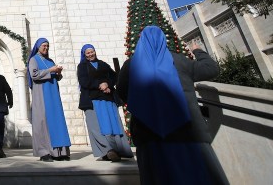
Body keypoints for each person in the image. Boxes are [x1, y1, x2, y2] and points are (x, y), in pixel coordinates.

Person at [117, 26, 229, 184]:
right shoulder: (180, 61)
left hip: (148, 133)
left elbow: (122, 91)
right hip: (187, 132)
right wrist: (198, 51)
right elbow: (211, 69)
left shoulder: (131, 65)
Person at [77, 44, 133, 162]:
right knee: (99, 126)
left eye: (92, 52)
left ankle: (119, 149)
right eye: (88, 53)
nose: (90, 54)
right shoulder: (82, 66)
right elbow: (83, 81)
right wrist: (100, 85)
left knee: (112, 124)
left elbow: (114, 76)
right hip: (93, 99)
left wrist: (107, 84)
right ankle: (108, 150)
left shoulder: (103, 64)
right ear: (84, 55)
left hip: (108, 98)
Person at [27, 38, 71, 161]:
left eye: (47, 46)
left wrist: (58, 73)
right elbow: (34, 75)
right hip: (41, 94)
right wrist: (51, 70)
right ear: (38, 47)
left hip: (53, 94)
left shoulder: (50, 60)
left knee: (56, 120)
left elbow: (55, 76)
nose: (46, 48)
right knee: (42, 121)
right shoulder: (33, 59)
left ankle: (59, 152)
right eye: (43, 46)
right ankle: (44, 152)